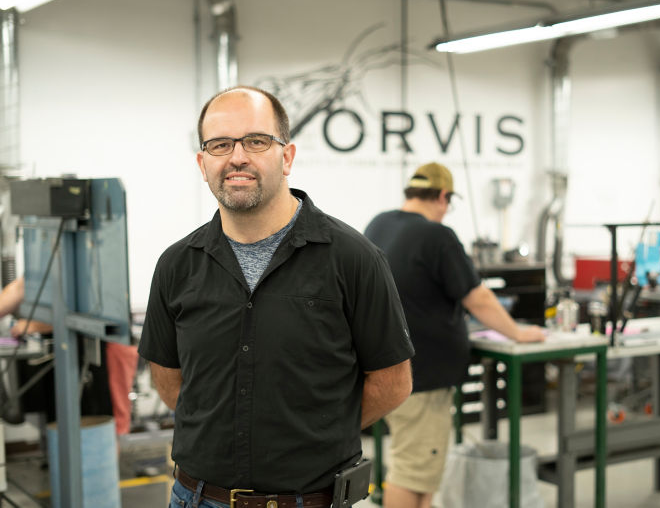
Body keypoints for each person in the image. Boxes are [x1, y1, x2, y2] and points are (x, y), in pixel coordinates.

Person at [138, 85, 414, 508]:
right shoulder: (177, 265)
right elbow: (170, 377)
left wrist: (316, 432)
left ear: (286, 157)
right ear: (202, 162)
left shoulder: (353, 259)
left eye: (256, 141)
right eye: (220, 144)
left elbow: (393, 382)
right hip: (197, 498)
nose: (237, 157)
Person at [364, 162, 546, 508]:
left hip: (384, 366)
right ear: (443, 197)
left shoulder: (380, 223)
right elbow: (477, 296)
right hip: (421, 376)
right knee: (412, 470)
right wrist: (518, 333)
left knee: (419, 465)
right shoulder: (436, 235)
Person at [0, 277, 139, 436]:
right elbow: (20, 288)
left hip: (107, 343)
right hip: (74, 348)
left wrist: (35, 325)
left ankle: (106, 460)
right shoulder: (42, 262)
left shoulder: (89, 262)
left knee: (106, 421)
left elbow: (85, 310)